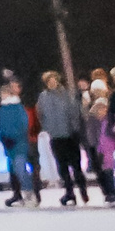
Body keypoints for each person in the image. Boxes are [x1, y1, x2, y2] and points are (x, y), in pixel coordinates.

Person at [35, 71, 84, 205]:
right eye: (49, 81)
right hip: (56, 136)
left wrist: (74, 129)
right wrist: (47, 128)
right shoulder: (43, 97)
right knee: (62, 166)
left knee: (76, 165)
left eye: (53, 80)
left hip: (69, 135)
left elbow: (74, 112)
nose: (52, 83)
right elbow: (41, 114)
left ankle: (82, 189)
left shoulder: (66, 95)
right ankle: (69, 192)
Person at [0, 81, 35, 205]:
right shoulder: (2, 110)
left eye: (4, 93)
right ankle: (20, 195)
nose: (2, 96)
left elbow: (23, 125)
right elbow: (0, 127)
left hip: (19, 143)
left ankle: (29, 193)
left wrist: (14, 137)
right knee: (14, 171)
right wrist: (3, 138)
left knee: (20, 169)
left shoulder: (17, 107)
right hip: (9, 145)